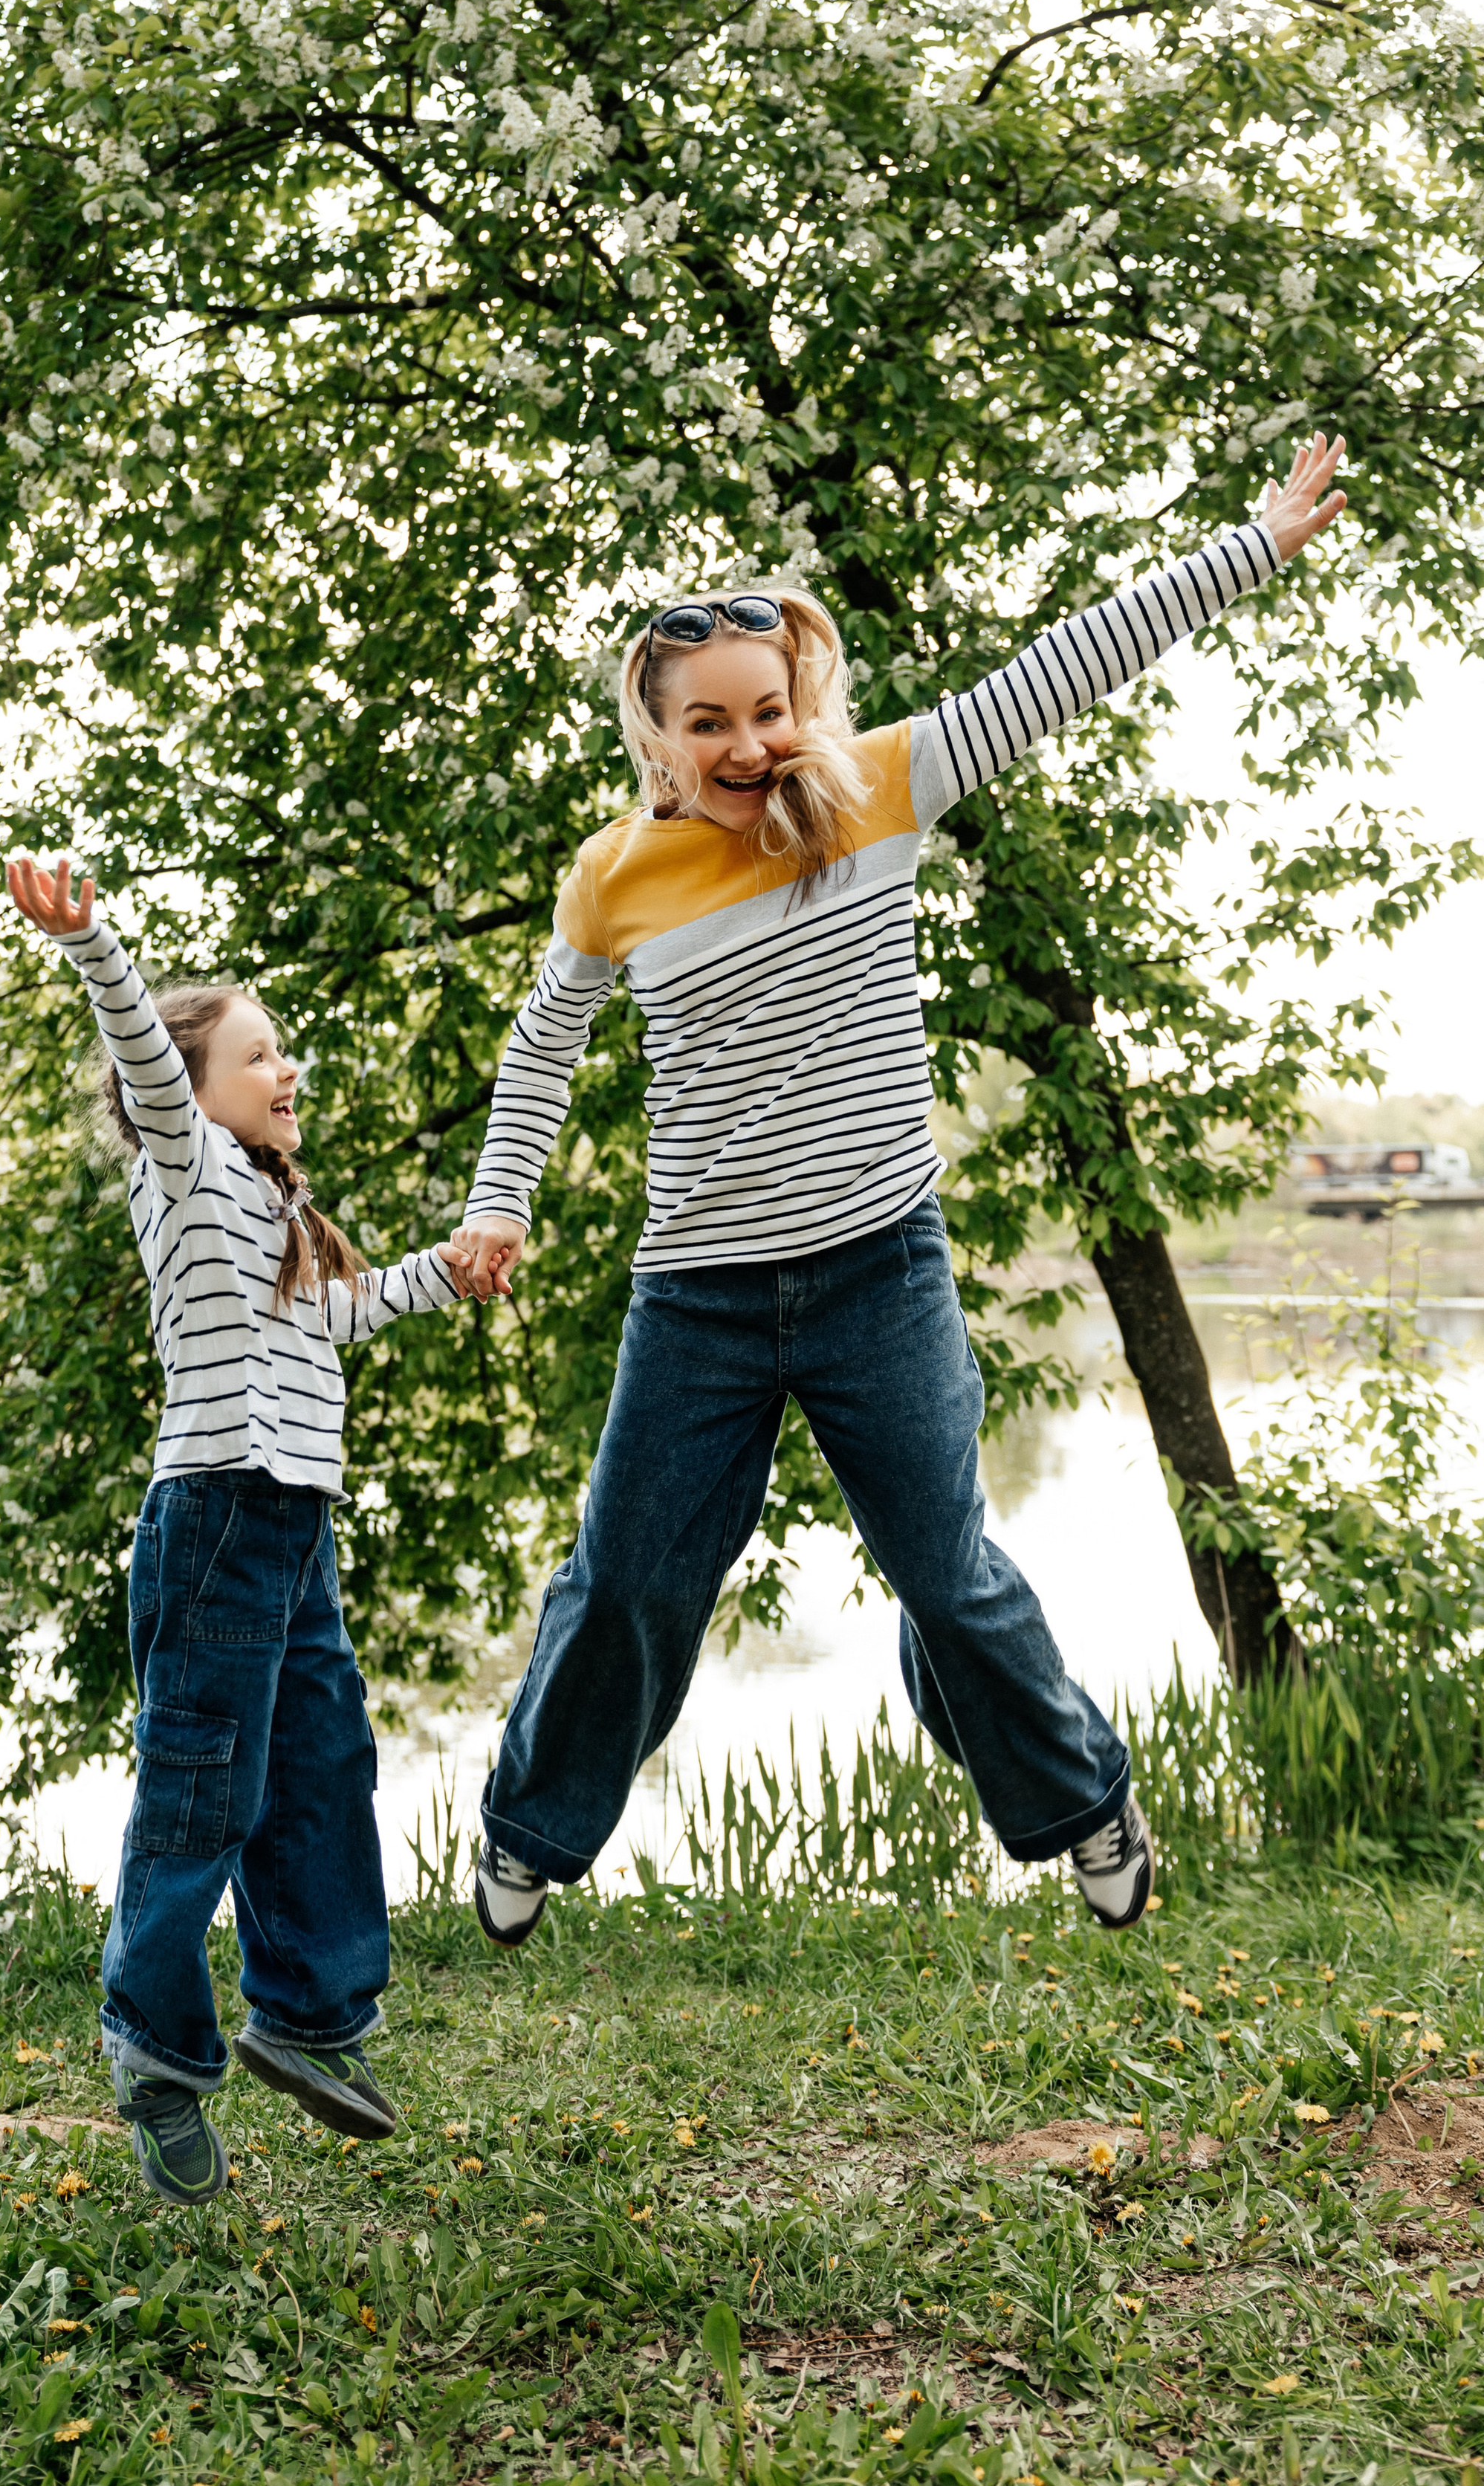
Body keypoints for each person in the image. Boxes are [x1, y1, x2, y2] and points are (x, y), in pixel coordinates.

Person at [453, 436, 1349, 1944]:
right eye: (706, 725)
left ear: (799, 702)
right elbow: (541, 1050)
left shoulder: (877, 787)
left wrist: (1247, 546)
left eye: (765, 710)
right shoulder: (613, 875)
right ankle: (530, 1832)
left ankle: (1081, 1810)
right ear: (656, 739)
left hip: (878, 1268)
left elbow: (1062, 665)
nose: (744, 745)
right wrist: (498, 1205)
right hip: (697, 1298)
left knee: (947, 1576)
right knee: (623, 1581)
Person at [7, 853, 473, 2205]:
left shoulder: (277, 1217)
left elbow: (341, 1316)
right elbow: (146, 1053)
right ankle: (155, 2053)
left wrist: (448, 1270)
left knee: (324, 1765)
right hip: (213, 1518)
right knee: (200, 1792)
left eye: (284, 1055)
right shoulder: (188, 1165)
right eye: (258, 1055)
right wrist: (97, 947)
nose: (286, 1072)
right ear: (199, 1095)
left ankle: (312, 2019)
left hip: (291, 1532)